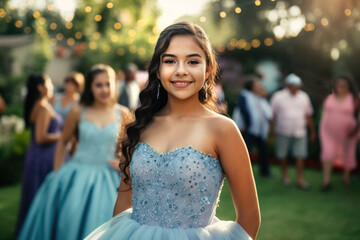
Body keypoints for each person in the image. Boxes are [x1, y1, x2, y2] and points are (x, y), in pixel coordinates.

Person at [85, 22, 260, 240]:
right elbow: (123, 203)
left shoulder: (223, 130)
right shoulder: (141, 125)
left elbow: (250, 217)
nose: (181, 71)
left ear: (208, 70)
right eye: (170, 61)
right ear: (158, 70)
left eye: (193, 61)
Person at [17, 65, 128, 240]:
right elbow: (63, 142)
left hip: (108, 178)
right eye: (98, 85)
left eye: (108, 84)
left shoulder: (124, 113)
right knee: (69, 220)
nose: (104, 89)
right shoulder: (78, 111)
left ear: (114, 84)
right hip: (77, 173)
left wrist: (122, 161)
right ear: (90, 87)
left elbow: (129, 148)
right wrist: (56, 171)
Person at [16, 74, 62, 233]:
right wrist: (63, 135)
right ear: (40, 87)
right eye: (49, 83)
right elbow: (41, 137)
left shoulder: (41, 105)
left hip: (38, 155)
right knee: (40, 196)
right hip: (43, 158)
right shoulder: (42, 107)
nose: (52, 86)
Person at [270, 73, 316, 190]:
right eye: (293, 85)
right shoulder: (278, 96)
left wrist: (312, 132)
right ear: (288, 85)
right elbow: (272, 115)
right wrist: (271, 129)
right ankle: (285, 176)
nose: (295, 87)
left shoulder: (304, 97)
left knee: (300, 155)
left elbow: (308, 115)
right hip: (282, 131)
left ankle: (300, 179)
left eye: (297, 85)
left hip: (300, 131)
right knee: (282, 155)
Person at [319, 73, 359, 190]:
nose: (340, 88)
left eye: (344, 86)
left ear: (349, 86)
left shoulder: (354, 99)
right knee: (328, 153)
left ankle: (346, 177)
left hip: (347, 133)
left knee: (348, 153)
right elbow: (325, 113)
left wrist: (355, 130)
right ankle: (326, 181)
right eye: (338, 85)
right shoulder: (330, 97)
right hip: (328, 132)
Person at [233, 77, 273, 177]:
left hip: (258, 129)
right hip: (248, 129)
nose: (258, 86)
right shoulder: (244, 95)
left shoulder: (257, 96)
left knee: (263, 151)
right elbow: (243, 110)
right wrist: (246, 124)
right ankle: (241, 172)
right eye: (256, 85)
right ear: (251, 86)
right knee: (246, 151)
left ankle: (265, 171)